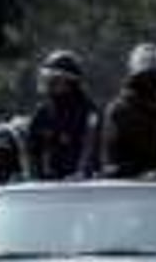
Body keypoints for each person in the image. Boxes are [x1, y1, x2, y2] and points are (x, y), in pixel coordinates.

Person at [101, 43, 156, 178]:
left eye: (155, 77)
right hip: (123, 182)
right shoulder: (117, 110)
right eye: (144, 78)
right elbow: (106, 159)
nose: (149, 84)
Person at [26, 50, 101, 180]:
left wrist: (82, 173)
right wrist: (38, 176)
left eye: (54, 80)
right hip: (50, 186)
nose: (49, 84)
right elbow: (32, 151)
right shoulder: (43, 113)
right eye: (47, 79)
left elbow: (93, 149)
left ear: (71, 82)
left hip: (84, 185)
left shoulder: (88, 112)